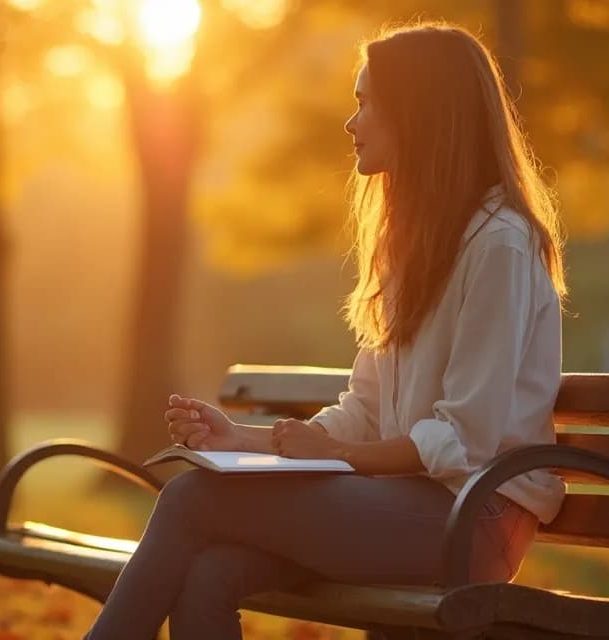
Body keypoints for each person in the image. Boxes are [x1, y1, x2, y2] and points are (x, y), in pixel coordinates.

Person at [84, 20, 569, 639]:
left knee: (190, 499)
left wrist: (339, 457)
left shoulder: (499, 244)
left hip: (474, 519)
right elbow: (364, 409)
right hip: (409, 506)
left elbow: (465, 437)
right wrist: (244, 439)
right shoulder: (415, 247)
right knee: (209, 573)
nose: (350, 122)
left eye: (366, 103)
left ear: (420, 115)